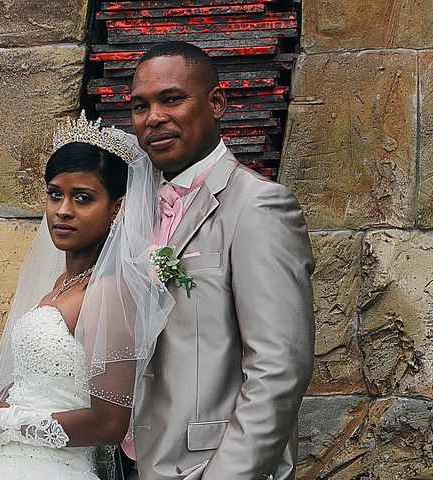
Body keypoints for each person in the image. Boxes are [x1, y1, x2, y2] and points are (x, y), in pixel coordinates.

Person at [0, 112, 173, 480]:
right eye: (55, 194)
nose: (63, 210)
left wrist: (15, 424)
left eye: (82, 198)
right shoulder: (61, 285)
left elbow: (110, 422)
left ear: (116, 208)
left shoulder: (108, 292)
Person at [125, 42, 315, 479]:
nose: (153, 117)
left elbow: (279, 368)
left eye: (171, 99)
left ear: (216, 103)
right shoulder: (130, 210)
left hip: (205, 466)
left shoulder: (258, 207)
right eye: (140, 106)